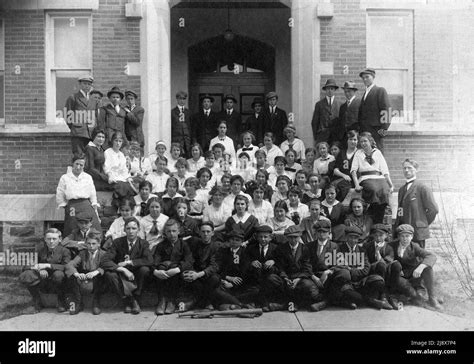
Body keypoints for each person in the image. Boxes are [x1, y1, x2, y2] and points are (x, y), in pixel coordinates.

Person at [330, 225, 393, 310]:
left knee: (378, 280)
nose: (353, 240)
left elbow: (366, 269)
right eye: (350, 237)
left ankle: (360, 300)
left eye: (355, 238)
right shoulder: (339, 249)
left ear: (358, 238)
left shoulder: (362, 250)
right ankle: (373, 301)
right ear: (346, 237)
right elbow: (339, 267)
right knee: (356, 296)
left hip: (360, 281)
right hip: (346, 283)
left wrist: (350, 269)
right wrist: (353, 270)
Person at [102, 217, 153, 315]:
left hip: (136, 274)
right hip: (122, 275)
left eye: (134, 228)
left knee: (145, 269)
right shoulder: (118, 242)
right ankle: (128, 300)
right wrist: (122, 269)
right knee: (110, 274)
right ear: (124, 229)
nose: (131, 231)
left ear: (138, 230)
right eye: (128, 228)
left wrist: (129, 262)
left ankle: (135, 298)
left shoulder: (143, 243)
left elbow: (149, 260)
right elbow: (105, 260)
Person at [19, 229, 71, 313]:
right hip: (42, 279)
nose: (51, 241)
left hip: (58, 280)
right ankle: (37, 302)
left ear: (60, 239)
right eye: (49, 239)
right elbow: (26, 265)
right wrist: (39, 269)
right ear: (45, 239)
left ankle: (61, 301)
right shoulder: (40, 250)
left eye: (54, 239)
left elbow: (67, 267)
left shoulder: (64, 251)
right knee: (27, 274)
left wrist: (48, 265)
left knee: (59, 274)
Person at [391, 224, 441, 309]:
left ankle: (432, 298)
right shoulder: (392, 245)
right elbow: (386, 257)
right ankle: (415, 296)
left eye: (407, 236)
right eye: (402, 236)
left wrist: (420, 267)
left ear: (412, 236)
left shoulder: (414, 246)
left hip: (413, 275)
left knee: (428, 268)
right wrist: (396, 268)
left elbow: (431, 256)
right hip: (399, 276)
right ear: (398, 237)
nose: (405, 239)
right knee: (414, 295)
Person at [272, 225, 321, 311]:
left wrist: (298, 279)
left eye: (295, 237)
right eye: (290, 237)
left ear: (299, 237)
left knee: (309, 287)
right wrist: (285, 278)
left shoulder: (305, 248)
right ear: (287, 237)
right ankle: (286, 303)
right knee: (272, 279)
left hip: (300, 277)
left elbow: (307, 267)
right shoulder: (281, 249)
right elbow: (280, 266)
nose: (293, 240)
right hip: (286, 277)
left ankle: (293, 304)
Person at [152, 219, 194, 315]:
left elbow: (189, 261)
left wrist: (177, 269)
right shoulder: (161, 245)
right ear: (165, 233)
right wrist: (156, 271)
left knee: (173, 266)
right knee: (162, 266)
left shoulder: (184, 245)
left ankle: (171, 301)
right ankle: (162, 301)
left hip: (177, 275)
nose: (171, 234)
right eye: (168, 231)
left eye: (174, 231)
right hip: (163, 274)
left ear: (178, 231)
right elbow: (155, 261)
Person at [394, 159, 439, 248]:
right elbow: (400, 210)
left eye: (410, 168)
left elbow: (433, 209)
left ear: (416, 170)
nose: (406, 170)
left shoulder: (422, 187)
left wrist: (422, 222)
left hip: (417, 231)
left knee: (418, 258)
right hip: (404, 232)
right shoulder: (401, 190)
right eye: (404, 168)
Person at [351, 132, 394, 224]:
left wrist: (390, 185)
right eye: (361, 142)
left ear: (370, 141)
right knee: (373, 189)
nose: (363, 143)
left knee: (384, 190)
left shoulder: (377, 152)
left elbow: (385, 170)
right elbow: (353, 170)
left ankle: (378, 222)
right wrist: (357, 185)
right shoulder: (358, 153)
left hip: (379, 177)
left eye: (365, 141)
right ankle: (373, 221)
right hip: (366, 178)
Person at [56, 154, 101, 237]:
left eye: (81, 165)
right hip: (72, 206)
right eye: (77, 164)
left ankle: (91, 245)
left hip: (86, 204)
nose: (78, 167)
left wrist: (94, 203)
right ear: (73, 164)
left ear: (84, 166)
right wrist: (65, 205)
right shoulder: (65, 178)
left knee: (91, 226)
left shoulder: (87, 177)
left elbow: (92, 192)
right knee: (72, 226)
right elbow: (60, 193)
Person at [65, 229, 107, 315]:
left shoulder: (103, 254)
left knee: (102, 276)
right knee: (72, 275)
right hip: (85, 278)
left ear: (99, 244)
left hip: (97, 280)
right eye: (89, 243)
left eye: (94, 244)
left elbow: (108, 265)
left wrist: (97, 272)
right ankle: (79, 303)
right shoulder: (82, 254)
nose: (91, 246)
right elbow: (70, 264)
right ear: (86, 244)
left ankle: (96, 302)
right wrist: (77, 274)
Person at [214, 229, 258, 309]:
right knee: (216, 290)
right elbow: (219, 269)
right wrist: (227, 279)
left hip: (240, 285)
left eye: (237, 240)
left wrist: (233, 284)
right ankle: (241, 305)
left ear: (241, 242)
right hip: (226, 282)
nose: (234, 242)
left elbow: (245, 273)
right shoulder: (223, 252)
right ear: (228, 241)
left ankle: (231, 303)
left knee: (255, 290)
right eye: (232, 239)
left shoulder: (246, 253)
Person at [183, 221, 221, 310]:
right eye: (203, 232)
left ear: (212, 233)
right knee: (188, 277)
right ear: (199, 232)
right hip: (195, 272)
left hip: (208, 274)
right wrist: (192, 272)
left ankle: (199, 302)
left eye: (208, 232)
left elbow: (214, 266)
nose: (205, 234)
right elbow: (189, 257)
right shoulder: (194, 242)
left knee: (214, 279)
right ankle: (206, 303)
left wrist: (199, 274)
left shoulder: (216, 246)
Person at [244, 225, 280, 310]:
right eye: (260, 237)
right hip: (256, 278)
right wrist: (251, 263)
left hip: (269, 277)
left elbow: (282, 262)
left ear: (270, 238)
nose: (263, 239)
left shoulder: (276, 248)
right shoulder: (251, 248)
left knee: (271, 273)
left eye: (265, 237)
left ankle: (264, 302)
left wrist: (273, 261)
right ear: (256, 237)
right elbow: (245, 261)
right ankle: (260, 302)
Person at [306, 220, 339, 312]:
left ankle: (324, 302)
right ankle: (326, 301)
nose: (322, 234)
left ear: (329, 233)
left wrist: (328, 271)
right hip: (313, 276)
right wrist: (313, 276)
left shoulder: (334, 246)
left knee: (336, 283)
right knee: (310, 290)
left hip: (327, 276)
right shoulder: (309, 246)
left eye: (324, 232)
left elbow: (337, 263)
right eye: (319, 232)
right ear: (316, 233)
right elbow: (306, 263)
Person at [358, 68, 391, 153]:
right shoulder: (365, 93)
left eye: (367, 77)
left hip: (376, 132)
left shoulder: (380, 90)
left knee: (377, 155)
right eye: (363, 78)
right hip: (365, 132)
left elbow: (387, 111)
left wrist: (382, 131)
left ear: (373, 77)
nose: (365, 79)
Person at [64, 75, 95, 154]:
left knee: (89, 157)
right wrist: (75, 126)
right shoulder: (73, 97)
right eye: (84, 84)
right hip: (78, 133)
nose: (87, 86)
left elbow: (95, 117)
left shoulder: (93, 100)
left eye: (89, 84)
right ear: (80, 84)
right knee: (78, 156)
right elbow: (67, 115)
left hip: (90, 133)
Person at [311, 79, 342, 146]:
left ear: (334, 90)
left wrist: (340, 136)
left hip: (335, 137)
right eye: (328, 89)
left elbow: (341, 122)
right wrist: (316, 136)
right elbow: (314, 122)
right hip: (322, 136)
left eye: (332, 88)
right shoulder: (319, 104)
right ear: (325, 90)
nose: (330, 91)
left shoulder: (340, 104)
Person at [331, 130, 358, 201]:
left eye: (355, 139)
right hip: (344, 179)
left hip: (356, 179)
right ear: (347, 140)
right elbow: (335, 170)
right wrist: (344, 175)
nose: (352, 142)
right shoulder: (342, 153)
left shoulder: (360, 153)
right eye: (350, 139)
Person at [171, 91, 192, 158]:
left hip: (186, 140)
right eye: (180, 98)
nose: (182, 101)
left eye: (184, 99)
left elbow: (190, 126)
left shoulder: (188, 112)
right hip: (177, 139)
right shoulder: (173, 112)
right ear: (177, 99)